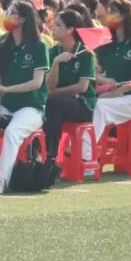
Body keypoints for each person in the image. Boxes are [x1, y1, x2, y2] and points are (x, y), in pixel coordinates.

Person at [0, 0, 48, 194]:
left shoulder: (39, 46)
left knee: (12, 132)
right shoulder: (3, 44)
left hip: (32, 106)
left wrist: (7, 89)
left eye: (12, 12)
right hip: (6, 104)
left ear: (22, 19)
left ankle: (0, 180)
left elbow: (37, 83)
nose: (7, 15)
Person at [91, 0, 131, 161]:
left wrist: (115, 93)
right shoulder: (106, 42)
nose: (108, 15)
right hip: (108, 95)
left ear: (124, 16)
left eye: (113, 12)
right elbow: (96, 73)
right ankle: (86, 152)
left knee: (99, 106)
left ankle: (86, 155)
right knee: (89, 104)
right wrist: (105, 81)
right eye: (108, 11)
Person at [42, 10, 96, 158]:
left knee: (53, 101)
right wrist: (55, 63)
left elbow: (82, 87)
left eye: (58, 25)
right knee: (48, 105)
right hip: (58, 104)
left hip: (83, 105)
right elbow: (49, 87)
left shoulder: (86, 54)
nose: (53, 28)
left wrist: (55, 92)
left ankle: (49, 154)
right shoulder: (52, 52)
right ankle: (45, 154)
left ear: (70, 30)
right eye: (54, 24)